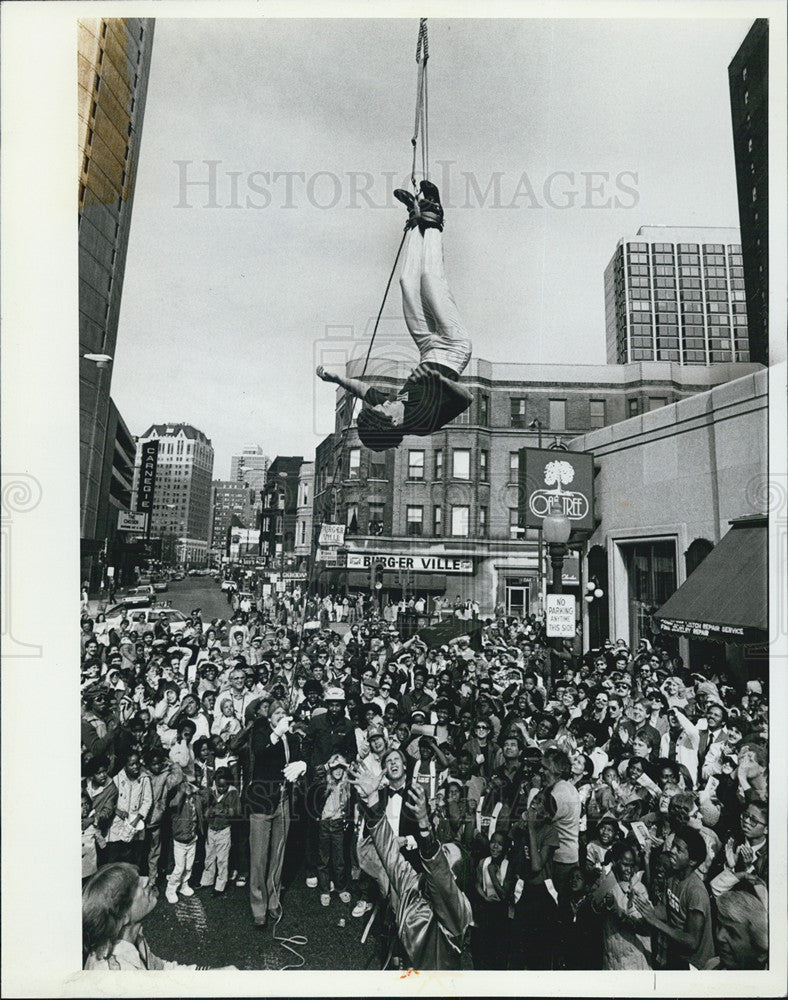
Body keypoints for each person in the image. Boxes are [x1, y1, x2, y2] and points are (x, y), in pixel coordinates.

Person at [316, 181, 473, 451]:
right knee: (430, 282)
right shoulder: (423, 423)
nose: (386, 403)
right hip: (453, 349)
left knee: (407, 282)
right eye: (385, 409)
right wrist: (441, 381)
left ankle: (415, 219)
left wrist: (337, 379)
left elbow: (362, 391)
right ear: (394, 424)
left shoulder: (390, 408)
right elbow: (466, 399)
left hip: (427, 349)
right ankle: (433, 217)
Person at [351, 757, 473, 970]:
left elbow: (440, 874)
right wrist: (372, 799)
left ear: (454, 875)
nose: (437, 856)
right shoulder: (414, 887)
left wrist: (425, 828)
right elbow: (389, 852)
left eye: (444, 854)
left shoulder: (459, 910)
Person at [83, 863, 234, 970]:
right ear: (123, 916)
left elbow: (161, 971)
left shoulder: (132, 939)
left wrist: (214, 975)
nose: (146, 879)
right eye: (134, 885)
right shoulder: (118, 974)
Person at [633, 825, 714, 970]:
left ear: (692, 861)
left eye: (679, 850)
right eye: (673, 846)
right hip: (677, 956)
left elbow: (692, 941)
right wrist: (642, 908)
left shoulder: (696, 892)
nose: (672, 851)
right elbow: (667, 909)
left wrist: (655, 922)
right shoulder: (672, 875)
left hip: (694, 965)